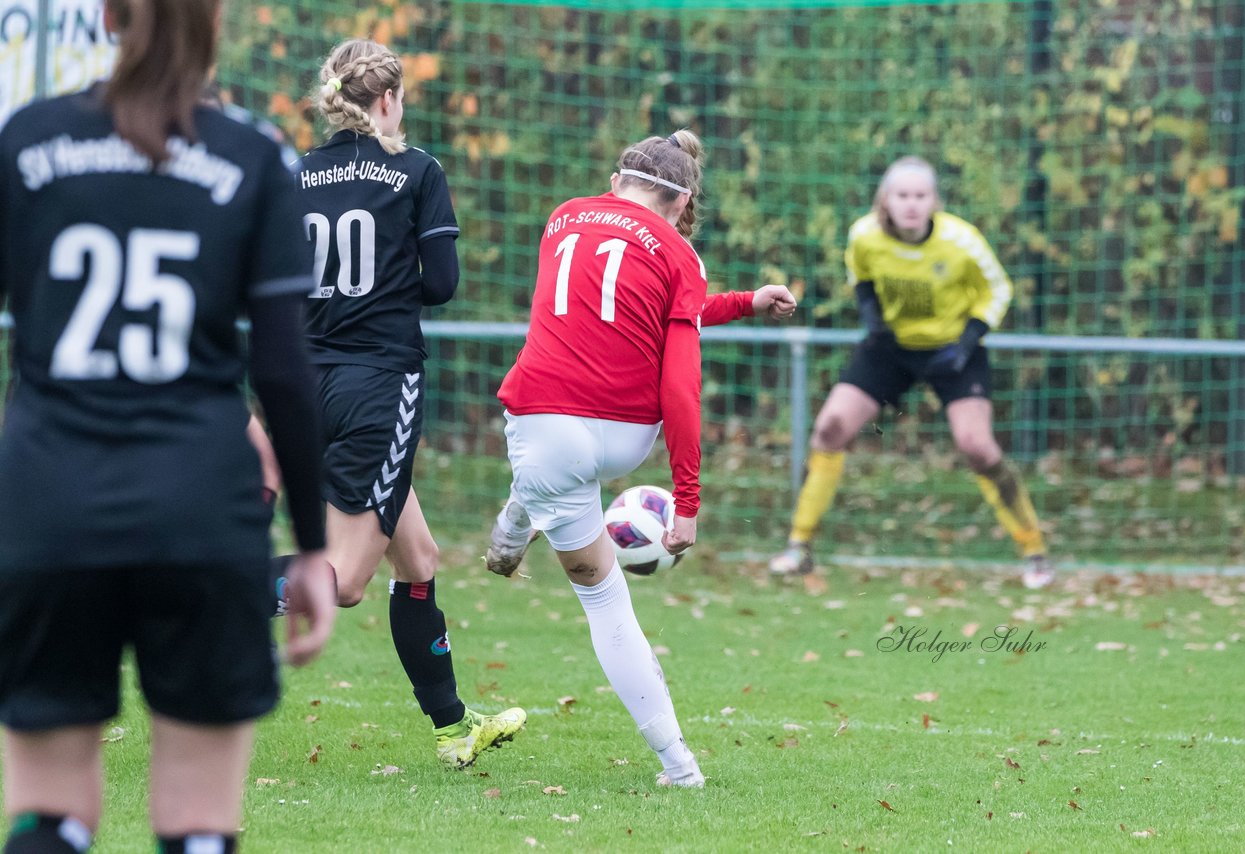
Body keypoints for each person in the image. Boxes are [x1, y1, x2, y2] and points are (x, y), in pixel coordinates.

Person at [0, 0, 335, 851]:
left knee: (48, 816)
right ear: (215, 21)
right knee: (197, 825)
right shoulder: (252, 155)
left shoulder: (27, 143)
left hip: (47, 509)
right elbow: (286, 375)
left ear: (110, 15)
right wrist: (311, 547)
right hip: (201, 511)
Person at [482, 130, 797, 787]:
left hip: (544, 426)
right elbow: (678, 383)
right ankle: (678, 769)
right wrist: (688, 501)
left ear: (619, 177)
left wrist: (741, 303)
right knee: (606, 598)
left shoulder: (562, 217)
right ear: (683, 204)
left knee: (594, 580)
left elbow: (625, 301)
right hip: (626, 434)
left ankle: (518, 522)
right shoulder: (679, 253)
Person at [260, 38, 526, 769]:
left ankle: (451, 728)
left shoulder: (297, 174)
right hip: (375, 386)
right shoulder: (416, 171)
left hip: (303, 381)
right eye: (400, 96)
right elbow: (440, 282)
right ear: (387, 101)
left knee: (420, 559)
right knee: (343, 582)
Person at [767, 156, 1053, 589]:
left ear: (934, 201)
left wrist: (966, 343)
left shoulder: (962, 240)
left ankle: (1034, 550)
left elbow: (999, 289)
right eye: (903, 195)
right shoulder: (865, 234)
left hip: (953, 351)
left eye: (921, 196)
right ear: (887, 199)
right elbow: (858, 271)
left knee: (976, 445)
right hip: (891, 349)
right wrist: (871, 316)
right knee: (830, 427)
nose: (912, 204)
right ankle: (799, 546)